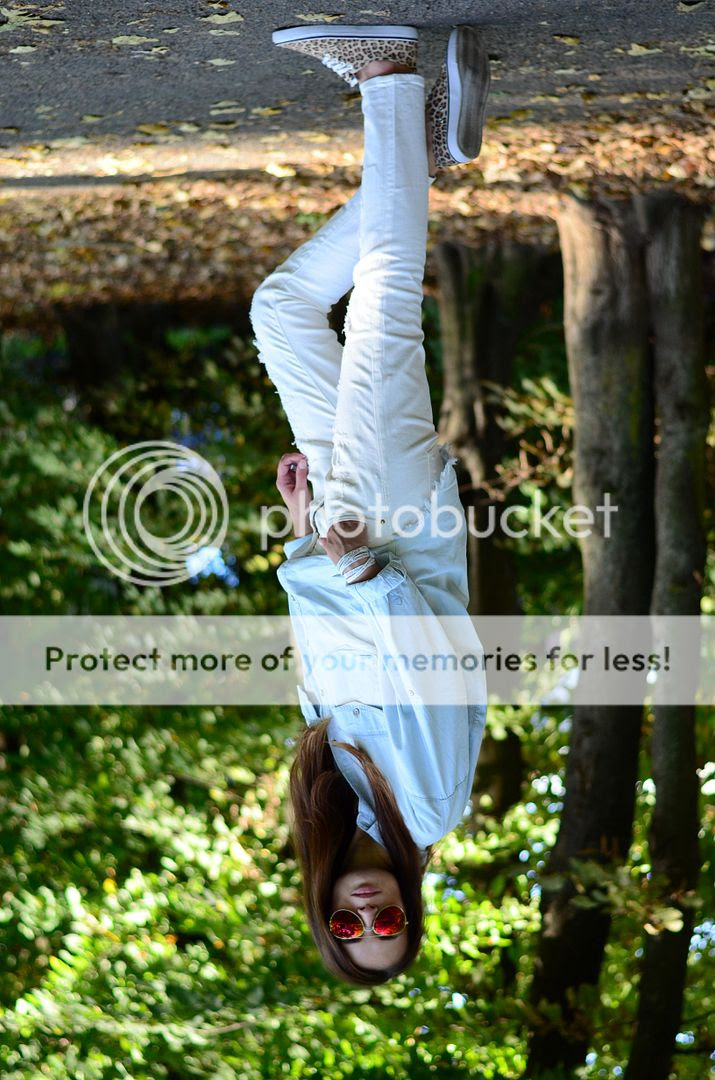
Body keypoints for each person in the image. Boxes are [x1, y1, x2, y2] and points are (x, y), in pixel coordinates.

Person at [249, 23, 491, 985]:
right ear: (410, 909)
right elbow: (441, 670)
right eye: (389, 925)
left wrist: (303, 533)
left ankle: (417, 155)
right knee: (384, 300)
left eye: (350, 931)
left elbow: (323, 649)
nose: (366, 914)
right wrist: (366, 571)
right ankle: (385, 71)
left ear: (325, 918)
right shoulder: (426, 810)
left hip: (339, 534)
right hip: (389, 533)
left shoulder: (336, 794)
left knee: (280, 311)